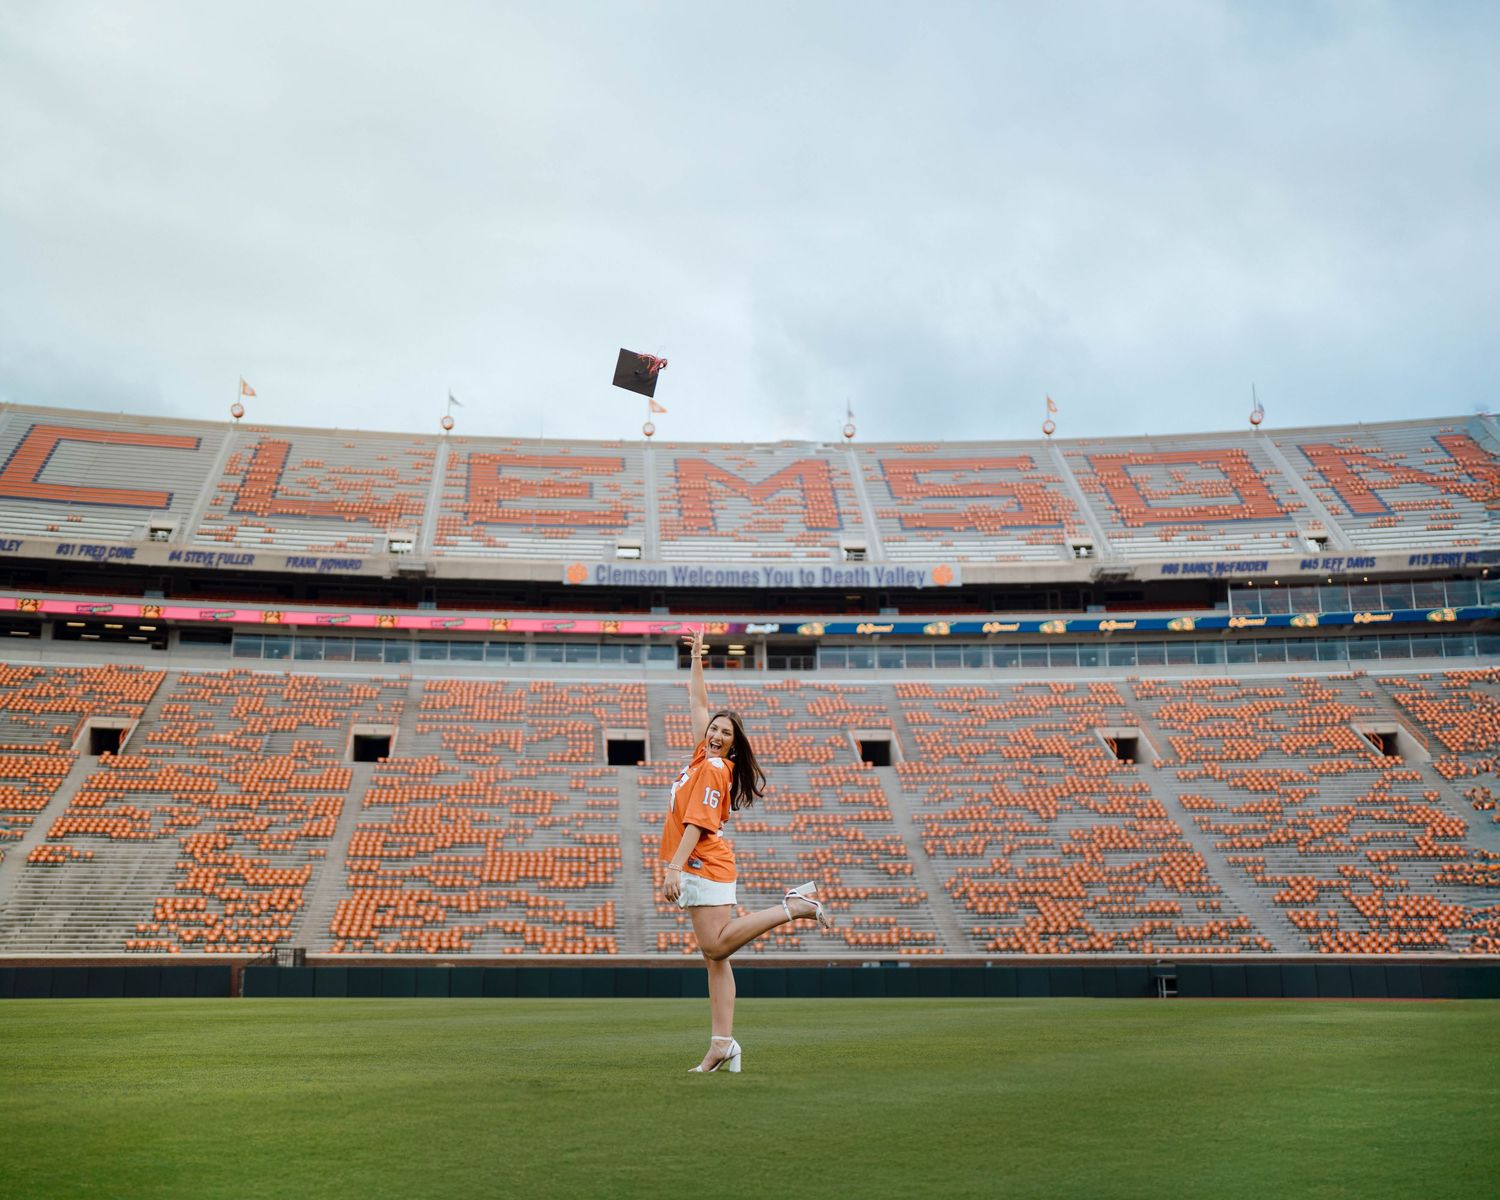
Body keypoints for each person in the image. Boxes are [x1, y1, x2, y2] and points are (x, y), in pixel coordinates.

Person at [660, 626, 832, 1074]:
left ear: (733, 745)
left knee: (715, 948)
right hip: (705, 862)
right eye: (713, 729)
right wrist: (697, 658)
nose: (715, 735)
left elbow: (698, 822)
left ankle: (792, 906)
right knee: (715, 958)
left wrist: (674, 868)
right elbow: (698, 704)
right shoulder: (703, 755)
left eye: (723, 733)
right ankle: (722, 1044)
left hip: (703, 863)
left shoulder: (716, 766)